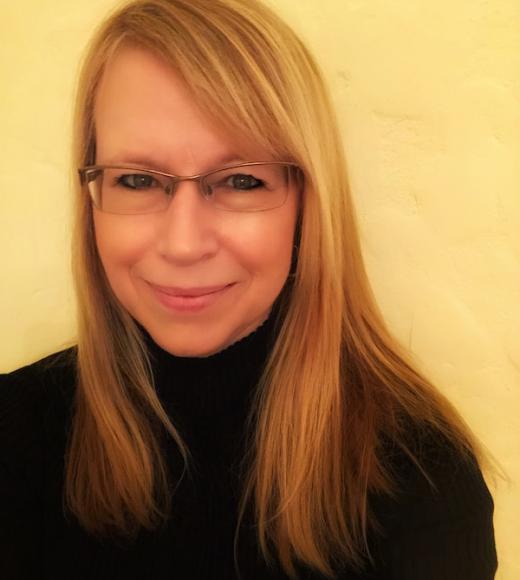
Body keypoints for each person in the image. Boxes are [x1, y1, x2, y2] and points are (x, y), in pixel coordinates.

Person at [0, 0, 499, 578]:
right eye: (136, 180)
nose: (183, 244)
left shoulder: (418, 474)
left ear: (307, 207)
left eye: (241, 180)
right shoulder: (16, 438)